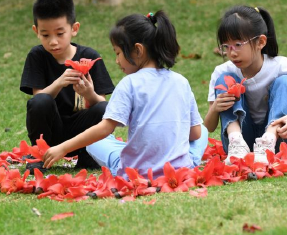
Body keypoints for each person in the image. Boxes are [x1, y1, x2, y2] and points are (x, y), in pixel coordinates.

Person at [42, 11, 209, 178]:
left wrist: (63, 147)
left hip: (136, 172)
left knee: (95, 144)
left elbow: (105, 129)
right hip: (179, 170)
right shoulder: (181, 81)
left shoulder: (130, 83)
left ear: (138, 50)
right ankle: (184, 161)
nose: (116, 60)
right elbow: (195, 134)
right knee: (202, 128)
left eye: (118, 53)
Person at [204, 6, 287, 165]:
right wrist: (215, 108)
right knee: (226, 79)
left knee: (286, 82)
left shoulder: (281, 66)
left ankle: (268, 141)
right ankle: (236, 143)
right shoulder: (222, 71)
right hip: (241, 142)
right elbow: (209, 126)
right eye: (226, 47)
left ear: (260, 42)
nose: (232, 53)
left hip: (280, 139)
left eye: (238, 44)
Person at [20, 0, 115, 173]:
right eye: (45, 35)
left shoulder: (90, 56)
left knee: (103, 108)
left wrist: (89, 94)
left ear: (74, 29)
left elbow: (103, 107)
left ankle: (89, 157)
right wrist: (59, 82)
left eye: (60, 33)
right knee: (41, 101)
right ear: (36, 32)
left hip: (83, 134)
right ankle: (38, 155)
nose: (53, 42)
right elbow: (38, 100)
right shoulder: (37, 56)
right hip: (51, 132)